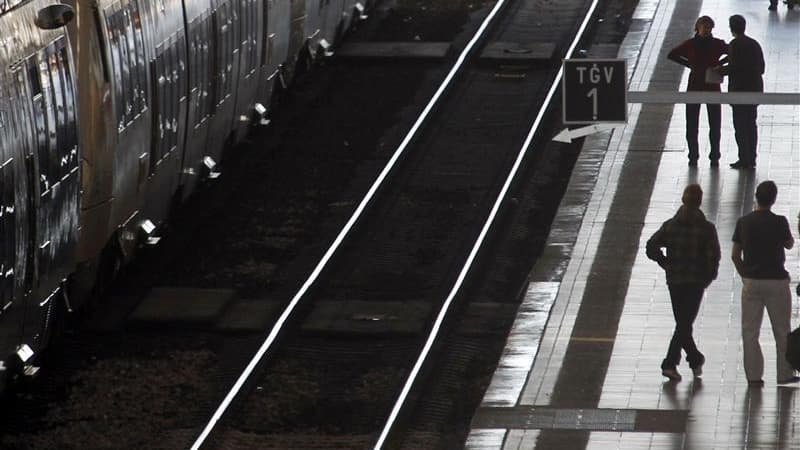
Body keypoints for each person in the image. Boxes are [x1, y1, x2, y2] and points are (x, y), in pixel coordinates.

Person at [647, 184, 721, 381]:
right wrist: (709, 277)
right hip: (696, 282)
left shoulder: (670, 226)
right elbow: (714, 256)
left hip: (675, 280)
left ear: (683, 200)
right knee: (684, 323)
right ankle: (670, 363)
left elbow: (650, 246)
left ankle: (695, 359)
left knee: (683, 322)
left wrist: (665, 263)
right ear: (699, 202)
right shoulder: (706, 229)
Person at [732, 181, 798, 385]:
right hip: (776, 281)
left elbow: (735, 255)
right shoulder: (779, 222)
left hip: (752, 281)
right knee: (781, 329)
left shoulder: (743, 222)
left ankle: (753, 376)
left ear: (756, 198)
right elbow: (789, 244)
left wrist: (745, 276)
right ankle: (784, 373)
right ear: (774, 199)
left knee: (750, 331)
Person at [667, 16, 728, 167]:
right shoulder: (695, 44)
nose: (706, 29)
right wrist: (690, 65)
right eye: (704, 26)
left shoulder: (707, 44)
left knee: (714, 123)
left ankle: (714, 155)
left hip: (705, 84)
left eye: (708, 27)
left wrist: (719, 64)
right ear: (698, 27)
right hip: (701, 85)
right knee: (692, 123)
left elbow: (732, 53)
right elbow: (672, 54)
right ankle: (693, 155)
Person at [715, 15, 764, 170]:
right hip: (755, 90)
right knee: (751, 124)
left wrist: (718, 70)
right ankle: (752, 158)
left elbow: (733, 67)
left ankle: (744, 158)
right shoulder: (754, 44)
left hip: (739, 91)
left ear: (731, 28)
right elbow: (762, 68)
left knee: (740, 126)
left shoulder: (735, 44)